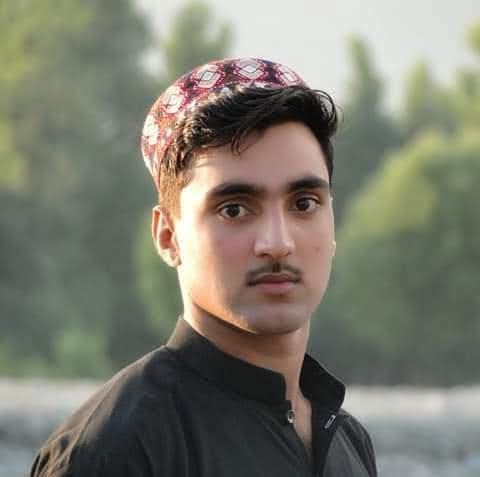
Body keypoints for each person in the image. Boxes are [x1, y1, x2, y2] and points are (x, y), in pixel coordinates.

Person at [31, 57, 377, 477]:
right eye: (234, 209)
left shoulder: (346, 439)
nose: (277, 243)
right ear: (168, 236)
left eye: (304, 204)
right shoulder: (116, 449)